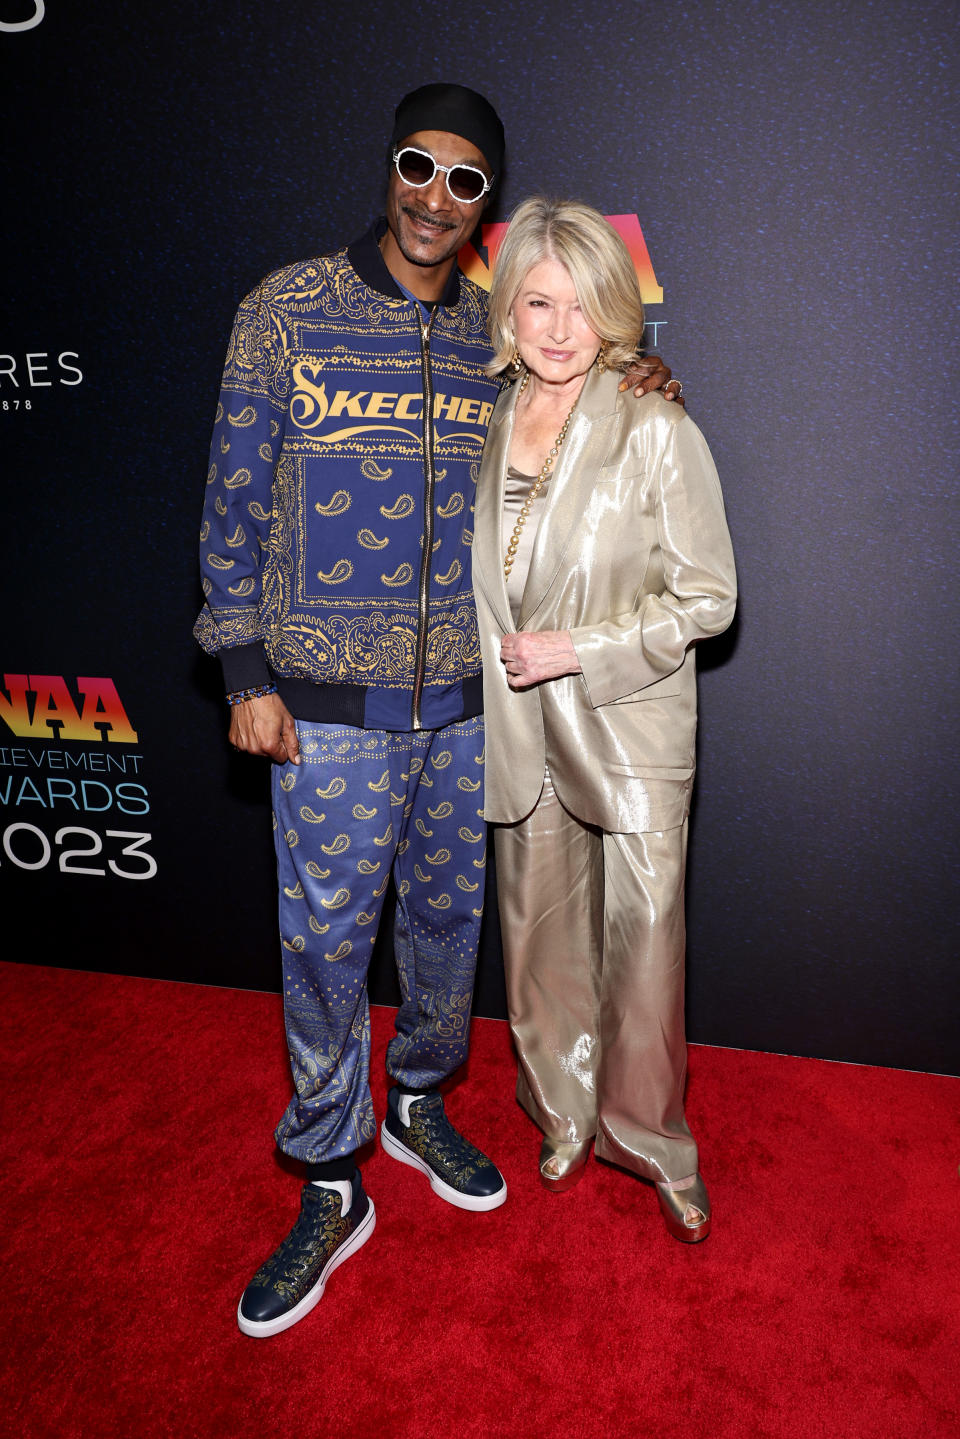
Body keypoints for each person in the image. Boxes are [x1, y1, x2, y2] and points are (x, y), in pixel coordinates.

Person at [196, 87, 680, 1338]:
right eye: (421, 165)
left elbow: (581, 401)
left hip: (476, 709)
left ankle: (418, 1097)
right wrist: (244, 669)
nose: (437, 194)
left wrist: (642, 375)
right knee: (322, 948)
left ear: (485, 207)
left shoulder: (499, 332)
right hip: (325, 706)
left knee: (447, 931)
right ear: (392, 166)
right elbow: (235, 496)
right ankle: (327, 1171)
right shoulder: (284, 310)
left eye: (469, 181)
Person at [472, 197, 736, 1242]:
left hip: (626, 730)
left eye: (582, 305)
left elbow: (709, 598)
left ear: (616, 312)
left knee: (644, 952)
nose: (558, 326)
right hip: (516, 731)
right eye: (537, 300)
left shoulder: (655, 421)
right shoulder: (484, 411)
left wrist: (577, 647)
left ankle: (655, 1139)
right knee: (536, 947)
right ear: (509, 310)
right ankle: (564, 1110)